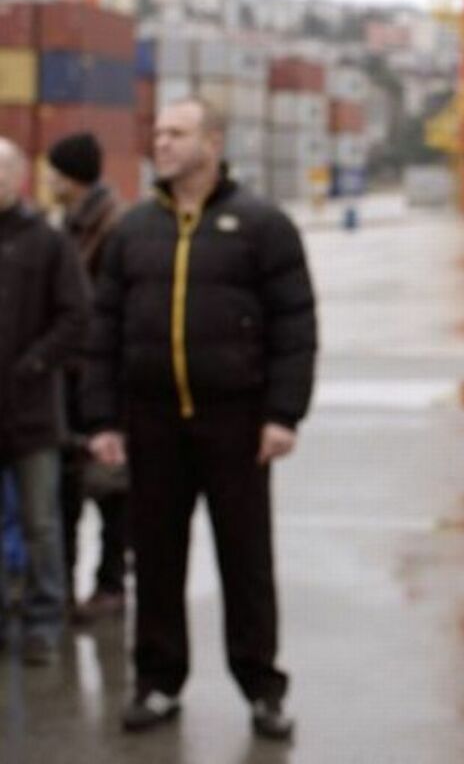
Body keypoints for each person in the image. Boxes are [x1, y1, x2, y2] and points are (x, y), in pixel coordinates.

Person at [83, 97, 317, 740]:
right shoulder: (133, 231)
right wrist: (102, 419)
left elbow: (295, 325)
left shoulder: (263, 225)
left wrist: (283, 414)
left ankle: (262, 687)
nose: (161, 142)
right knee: (156, 558)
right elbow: (103, 332)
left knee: (246, 560)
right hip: (152, 421)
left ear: (212, 142)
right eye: (158, 132)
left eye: (176, 133)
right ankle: (158, 681)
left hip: (236, 422)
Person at [0, 137, 90, 666]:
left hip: (32, 411)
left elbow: (77, 315)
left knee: (41, 523)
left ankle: (43, 621)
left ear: (19, 178)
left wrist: (34, 363)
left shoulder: (48, 243)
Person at [46, 131, 130, 624]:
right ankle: (65, 588)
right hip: (69, 373)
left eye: (54, 172)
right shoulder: (69, 224)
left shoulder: (113, 227)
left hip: (100, 372)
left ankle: (110, 585)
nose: (48, 180)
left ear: (70, 177)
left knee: (111, 484)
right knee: (66, 487)